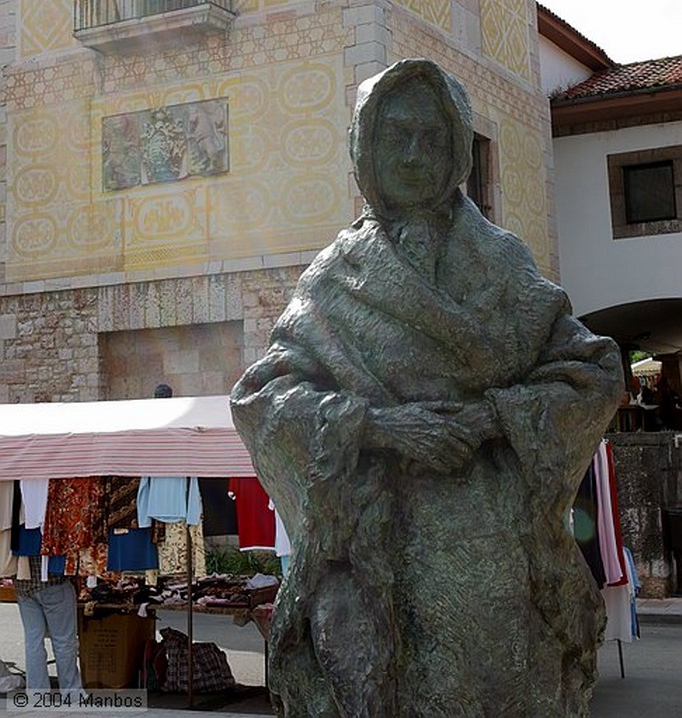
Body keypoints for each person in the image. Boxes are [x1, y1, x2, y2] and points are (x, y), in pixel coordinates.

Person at [230, 58, 624, 718]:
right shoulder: (331, 279)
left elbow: (593, 373)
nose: (414, 154)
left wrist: (495, 417)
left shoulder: (503, 262)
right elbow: (263, 399)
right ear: (366, 149)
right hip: (381, 556)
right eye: (396, 137)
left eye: (431, 137)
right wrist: (379, 426)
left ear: (457, 148)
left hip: (497, 563)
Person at [14, 551, 81, 690]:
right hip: (54, 583)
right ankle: (71, 693)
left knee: (33, 641)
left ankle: (37, 692)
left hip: (23, 585)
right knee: (63, 641)